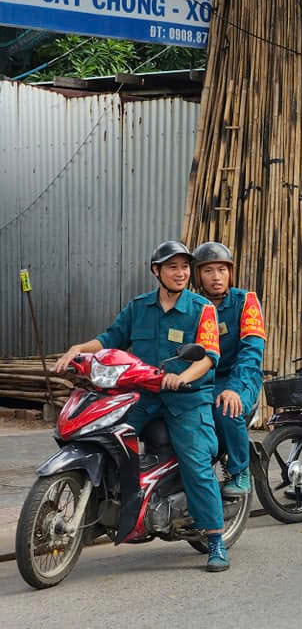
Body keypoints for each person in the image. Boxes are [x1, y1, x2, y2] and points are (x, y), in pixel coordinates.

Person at [53, 241, 230, 571]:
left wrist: (182, 377)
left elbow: (207, 356)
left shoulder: (202, 308)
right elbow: (110, 339)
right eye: (172, 267)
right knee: (102, 432)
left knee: (194, 462)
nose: (180, 273)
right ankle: (117, 504)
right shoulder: (139, 307)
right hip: (143, 396)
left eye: (185, 267)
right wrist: (79, 348)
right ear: (156, 271)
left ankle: (216, 538)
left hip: (186, 400)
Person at [193, 241, 266, 498]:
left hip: (240, 376)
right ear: (198, 275)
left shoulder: (246, 301)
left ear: (230, 273)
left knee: (228, 408)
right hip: (203, 379)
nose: (216, 277)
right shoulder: (193, 305)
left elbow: (251, 352)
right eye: (208, 271)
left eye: (222, 270)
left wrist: (235, 389)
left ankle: (240, 471)